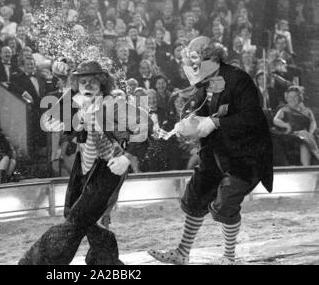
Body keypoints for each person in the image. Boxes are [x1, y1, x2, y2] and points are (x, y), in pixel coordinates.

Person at [149, 36, 273, 265]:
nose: (192, 69)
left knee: (226, 203)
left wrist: (216, 123)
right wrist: (189, 122)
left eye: (196, 63)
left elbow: (253, 117)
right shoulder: (206, 82)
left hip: (246, 156)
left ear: (213, 59)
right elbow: (200, 111)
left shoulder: (239, 79)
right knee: (196, 195)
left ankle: (229, 257)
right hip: (216, 153)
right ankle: (182, 253)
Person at [19, 60, 148, 265]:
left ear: (102, 84)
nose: (88, 85)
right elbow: (48, 118)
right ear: (76, 83)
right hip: (84, 167)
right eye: (83, 81)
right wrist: (61, 123)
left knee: (77, 220)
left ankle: (37, 262)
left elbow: (143, 127)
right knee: (73, 213)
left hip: (107, 168)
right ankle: (105, 258)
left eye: (93, 82)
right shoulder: (75, 101)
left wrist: (127, 157)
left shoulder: (113, 104)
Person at [273, 86, 319, 166]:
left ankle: (306, 169)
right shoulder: (284, 109)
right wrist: (286, 125)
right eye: (290, 97)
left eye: (295, 96)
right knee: (304, 135)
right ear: (287, 98)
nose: (292, 99)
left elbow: (313, 122)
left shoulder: (307, 110)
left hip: (306, 136)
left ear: (300, 97)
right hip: (292, 135)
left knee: (304, 143)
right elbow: (275, 120)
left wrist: (311, 132)